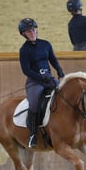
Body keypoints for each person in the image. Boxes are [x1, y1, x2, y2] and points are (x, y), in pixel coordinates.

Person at [18, 18, 65, 148]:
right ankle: (33, 134)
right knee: (34, 104)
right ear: (24, 34)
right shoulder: (24, 50)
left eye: (33, 29)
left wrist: (60, 71)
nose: (32, 32)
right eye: (29, 31)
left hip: (49, 79)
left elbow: (53, 59)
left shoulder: (45, 44)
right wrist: (40, 77)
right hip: (35, 82)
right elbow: (26, 70)